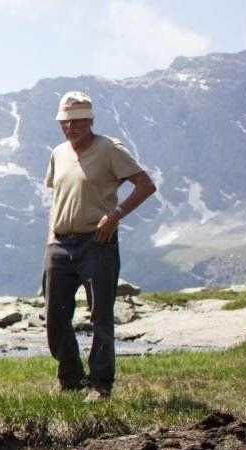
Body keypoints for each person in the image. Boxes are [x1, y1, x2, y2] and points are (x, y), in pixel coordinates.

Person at [44, 91, 156, 403]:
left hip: (97, 242)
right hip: (60, 243)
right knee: (55, 316)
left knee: (101, 317)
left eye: (78, 121)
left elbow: (146, 184)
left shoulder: (109, 149)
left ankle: (100, 384)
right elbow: (56, 198)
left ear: (90, 120)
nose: (71, 127)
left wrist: (115, 216)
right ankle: (70, 377)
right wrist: (50, 238)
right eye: (66, 122)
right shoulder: (58, 153)